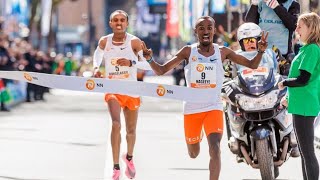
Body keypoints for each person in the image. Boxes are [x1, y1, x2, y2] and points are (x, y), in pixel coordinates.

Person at [141, 16, 268, 180]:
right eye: (201, 28)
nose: (206, 31)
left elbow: (252, 64)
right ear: (196, 32)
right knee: (193, 153)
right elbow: (161, 70)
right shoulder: (188, 51)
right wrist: (149, 58)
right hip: (192, 109)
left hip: (213, 106)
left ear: (214, 30)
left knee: (215, 148)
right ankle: (198, 133)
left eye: (209, 27)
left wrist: (261, 51)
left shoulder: (223, 52)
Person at [92, 10, 151, 180]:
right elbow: (98, 54)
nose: (119, 23)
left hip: (131, 90)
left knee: (131, 131)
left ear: (127, 23)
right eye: (115, 20)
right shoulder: (105, 41)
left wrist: (131, 62)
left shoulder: (135, 42)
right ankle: (116, 167)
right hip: (113, 89)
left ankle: (129, 158)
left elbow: (148, 65)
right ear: (110, 23)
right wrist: (96, 67)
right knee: (116, 124)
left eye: (122, 20)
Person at [278, 12, 320, 180]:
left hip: (305, 106)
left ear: (311, 28)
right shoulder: (307, 49)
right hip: (301, 104)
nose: (296, 29)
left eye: (300, 26)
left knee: (308, 153)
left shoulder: (312, 49)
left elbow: (303, 79)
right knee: (305, 153)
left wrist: (284, 83)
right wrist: (288, 96)